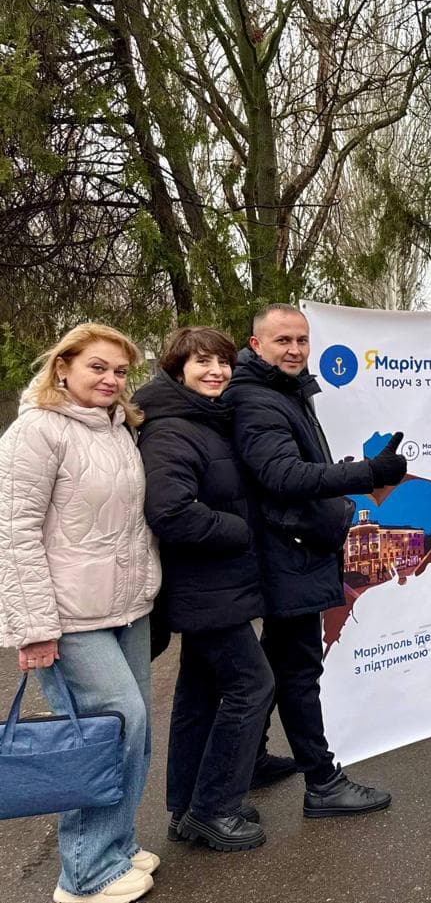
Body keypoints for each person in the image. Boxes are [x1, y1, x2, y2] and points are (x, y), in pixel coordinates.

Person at [223, 303, 406, 816]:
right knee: (299, 669)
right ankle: (322, 783)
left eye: (302, 341)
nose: (295, 350)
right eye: (283, 341)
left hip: (294, 550)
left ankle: (253, 758)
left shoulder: (283, 393)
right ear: (256, 345)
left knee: (281, 662)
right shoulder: (258, 401)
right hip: (288, 553)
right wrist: (367, 474)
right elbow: (282, 476)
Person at [0, 324, 162, 903]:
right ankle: (87, 873)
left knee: (130, 729)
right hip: (69, 617)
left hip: (126, 609)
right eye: (98, 367)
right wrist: (34, 628)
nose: (111, 380)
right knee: (106, 728)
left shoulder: (119, 430)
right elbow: (13, 534)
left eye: (120, 371)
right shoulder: (36, 432)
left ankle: (115, 845)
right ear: (62, 367)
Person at [135, 327, 273, 852]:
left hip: (214, 587)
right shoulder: (173, 430)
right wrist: (239, 531)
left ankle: (188, 808)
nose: (216, 371)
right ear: (177, 369)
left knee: (199, 694)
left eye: (222, 362)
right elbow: (169, 510)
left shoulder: (204, 420)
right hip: (205, 589)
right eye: (202, 363)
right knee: (252, 686)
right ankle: (216, 808)